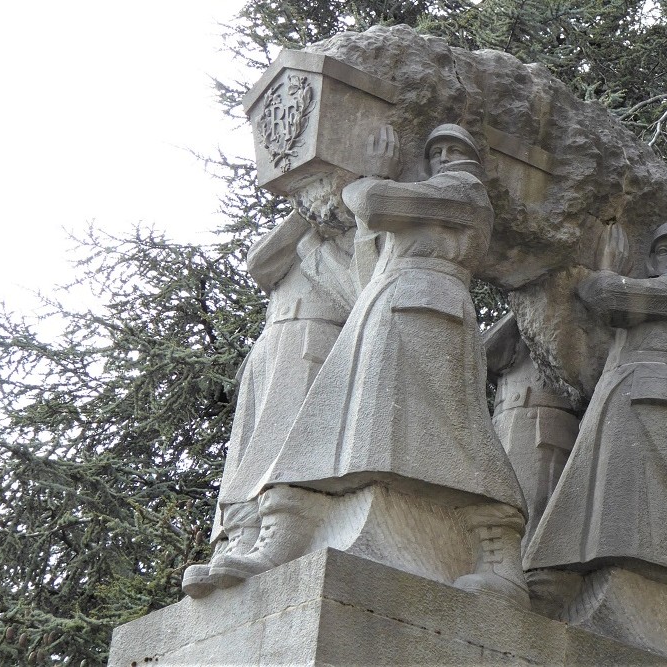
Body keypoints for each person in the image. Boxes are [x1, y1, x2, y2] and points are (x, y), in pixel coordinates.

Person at [213, 124, 529, 606]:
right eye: (436, 151)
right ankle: (284, 528)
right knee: (325, 426)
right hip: (385, 306)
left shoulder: (464, 191)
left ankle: (501, 557)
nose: (444, 158)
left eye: (454, 150)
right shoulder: (423, 195)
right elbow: (361, 254)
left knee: (458, 435)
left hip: (429, 306)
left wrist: (374, 175)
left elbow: (373, 201)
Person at [525, 221, 667, 665]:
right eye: (663, 250)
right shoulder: (654, 298)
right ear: (650, 260)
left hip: (664, 397)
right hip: (623, 395)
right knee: (592, 499)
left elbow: (612, 297)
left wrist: (605, 271)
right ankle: (557, 585)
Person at [181, 199, 357, 598]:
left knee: (285, 445)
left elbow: (358, 291)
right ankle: (241, 536)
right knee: (245, 453)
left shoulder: (358, 228)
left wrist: (322, 242)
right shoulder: (303, 226)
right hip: (272, 341)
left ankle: (281, 530)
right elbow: (260, 264)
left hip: (317, 336)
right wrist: (303, 216)